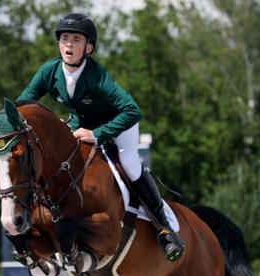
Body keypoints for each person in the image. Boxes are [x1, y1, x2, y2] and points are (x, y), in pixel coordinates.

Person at [16, 12, 185, 262]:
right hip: (81, 124)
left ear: (89, 47)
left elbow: (132, 110)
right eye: (64, 39)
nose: (69, 45)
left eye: (76, 39)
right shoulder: (49, 71)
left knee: (130, 165)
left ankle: (165, 229)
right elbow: (24, 104)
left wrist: (98, 134)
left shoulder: (96, 76)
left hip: (117, 124)